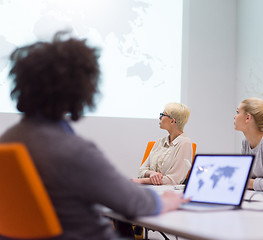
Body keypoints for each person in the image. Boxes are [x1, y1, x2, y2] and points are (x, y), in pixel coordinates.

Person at [0, 32, 188, 240]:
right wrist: (167, 201)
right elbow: (132, 201)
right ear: (80, 89)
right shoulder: (71, 150)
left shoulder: (9, 139)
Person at [132, 102, 193, 185]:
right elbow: (141, 171)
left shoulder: (185, 143)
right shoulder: (159, 142)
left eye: (162, 114)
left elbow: (173, 180)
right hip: (151, 189)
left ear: (172, 121)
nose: (159, 117)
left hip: (169, 192)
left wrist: (142, 181)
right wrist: (151, 173)